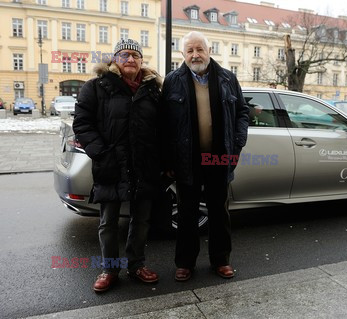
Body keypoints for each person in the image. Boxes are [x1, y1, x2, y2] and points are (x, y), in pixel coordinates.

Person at [73, 38, 162, 292]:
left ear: (142, 61)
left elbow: (162, 128)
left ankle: (136, 265)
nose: (130, 59)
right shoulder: (96, 86)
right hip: (111, 164)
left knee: (141, 220)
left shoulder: (152, 89)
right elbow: (82, 123)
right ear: (114, 59)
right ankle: (110, 269)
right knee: (108, 221)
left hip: (144, 165)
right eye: (124, 55)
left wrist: (162, 161)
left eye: (135, 55)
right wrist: (101, 153)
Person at [162, 31, 249, 281]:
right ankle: (185, 263)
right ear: (183, 54)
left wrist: (237, 144)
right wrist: (168, 161)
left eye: (199, 49)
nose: (195, 54)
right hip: (186, 159)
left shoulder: (227, 78)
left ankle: (221, 260)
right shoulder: (173, 81)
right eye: (189, 50)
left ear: (209, 51)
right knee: (187, 213)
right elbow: (164, 123)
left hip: (219, 158)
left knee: (219, 211)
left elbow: (242, 112)